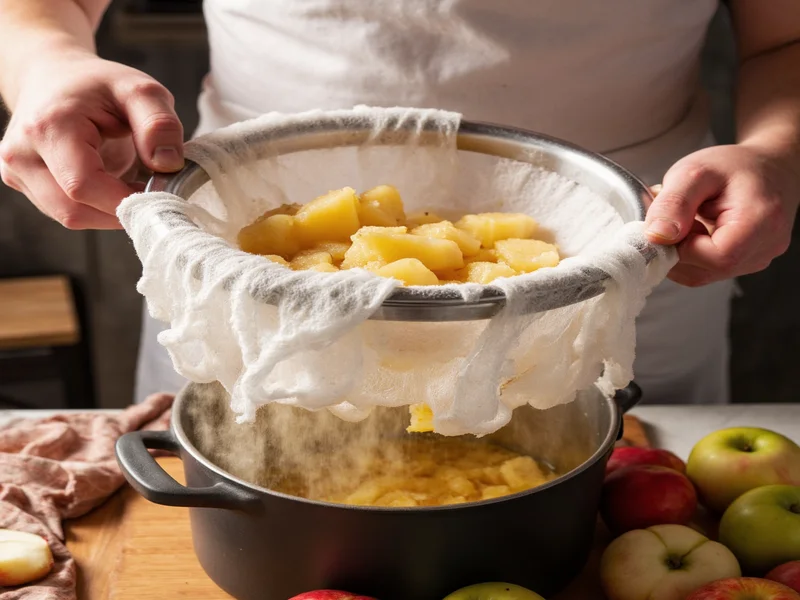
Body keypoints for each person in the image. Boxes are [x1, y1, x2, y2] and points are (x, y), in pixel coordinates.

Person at [1, 1, 798, 407]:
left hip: (625, 254)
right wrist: (45, 61)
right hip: (247, 274)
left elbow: (782, 35)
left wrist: (774, 152)